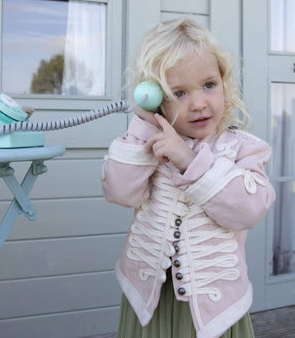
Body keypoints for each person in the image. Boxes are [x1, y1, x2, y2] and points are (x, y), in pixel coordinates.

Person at [101, 18, 276, 338]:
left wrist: (189, 161)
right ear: (155, 97)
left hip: (217, 306)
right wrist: (142, 126)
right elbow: (120, 192)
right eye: (178, 92)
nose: (198, 103)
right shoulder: (148, 145)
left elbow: (248, 210)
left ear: (224, 82)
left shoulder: (242, 148)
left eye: (209, 85)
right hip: (150, 299)